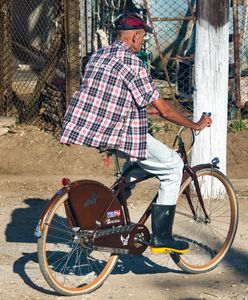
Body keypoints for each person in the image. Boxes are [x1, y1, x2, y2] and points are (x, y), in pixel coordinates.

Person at [60, 12, 212, 254]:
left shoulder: (97, 56)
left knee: (135, 169)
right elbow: (162, 109)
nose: (142, 43)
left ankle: (106, 218)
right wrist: (196, 124)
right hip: (121, 132)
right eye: (142, 38)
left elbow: (108, 94)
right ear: (133, 37)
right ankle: (162, 238)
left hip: (94, 129)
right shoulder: (132, 62)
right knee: (173, 167)